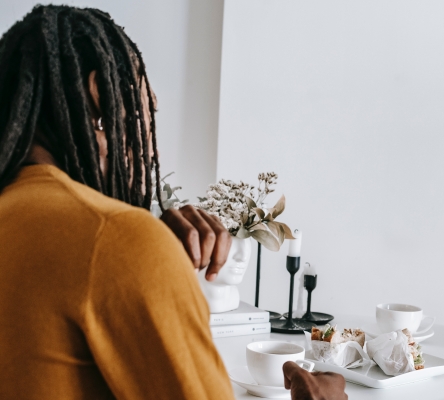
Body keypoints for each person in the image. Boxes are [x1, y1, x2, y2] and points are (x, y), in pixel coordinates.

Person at [0, 5, 346, 399]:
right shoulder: (115, 241)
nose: (149, 128)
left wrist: (156, 260)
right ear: (100, 97)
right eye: (150, 109)